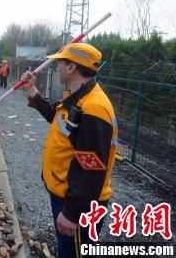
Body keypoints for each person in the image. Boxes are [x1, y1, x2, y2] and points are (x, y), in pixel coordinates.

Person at [20, 43, 118, 258]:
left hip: (79, 203)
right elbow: (56, 116)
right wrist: (31, 91)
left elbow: (90, 168)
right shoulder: (78, 97)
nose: (57, 66)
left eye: (60, 62)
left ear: (72, 67)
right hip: (67, 193)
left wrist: (73, 213)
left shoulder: (94, 108)